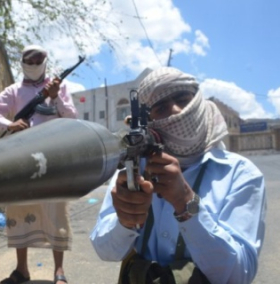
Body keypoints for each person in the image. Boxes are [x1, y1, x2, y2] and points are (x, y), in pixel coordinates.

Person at [90, 67, 266, 284]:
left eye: (183, 99)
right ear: (148, 122)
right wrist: (125, 222)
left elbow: (239, 275)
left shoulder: (240, 174)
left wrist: (187, 203)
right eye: (160, 107)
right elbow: (105, 251)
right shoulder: (132, 169)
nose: (175, 110)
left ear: (198, 101)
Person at [0, 45, 77, 284]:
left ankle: (59, 271)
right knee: (19, 211)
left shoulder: (59, 87)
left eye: (38, 60)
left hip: (53, 158)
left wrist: (54, 97)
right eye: (29, 61)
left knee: (56, 212)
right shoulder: (13, 91)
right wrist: (8, 124)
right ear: (22, 62)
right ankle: (21, 269)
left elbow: (72, 119)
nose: (33, 65)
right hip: (22, 159)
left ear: (45, 61)